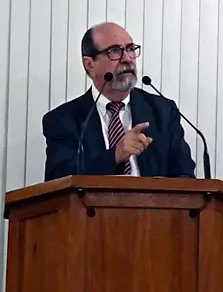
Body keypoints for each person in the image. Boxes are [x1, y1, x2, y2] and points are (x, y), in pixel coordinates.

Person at [42, 22, 196, 181]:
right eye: (115, 51)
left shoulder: (163, 111)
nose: (127, 58)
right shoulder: (63, 120)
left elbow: (185, 175)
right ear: (90, 65)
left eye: (130, 49)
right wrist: (115, 155)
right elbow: (59, 177)